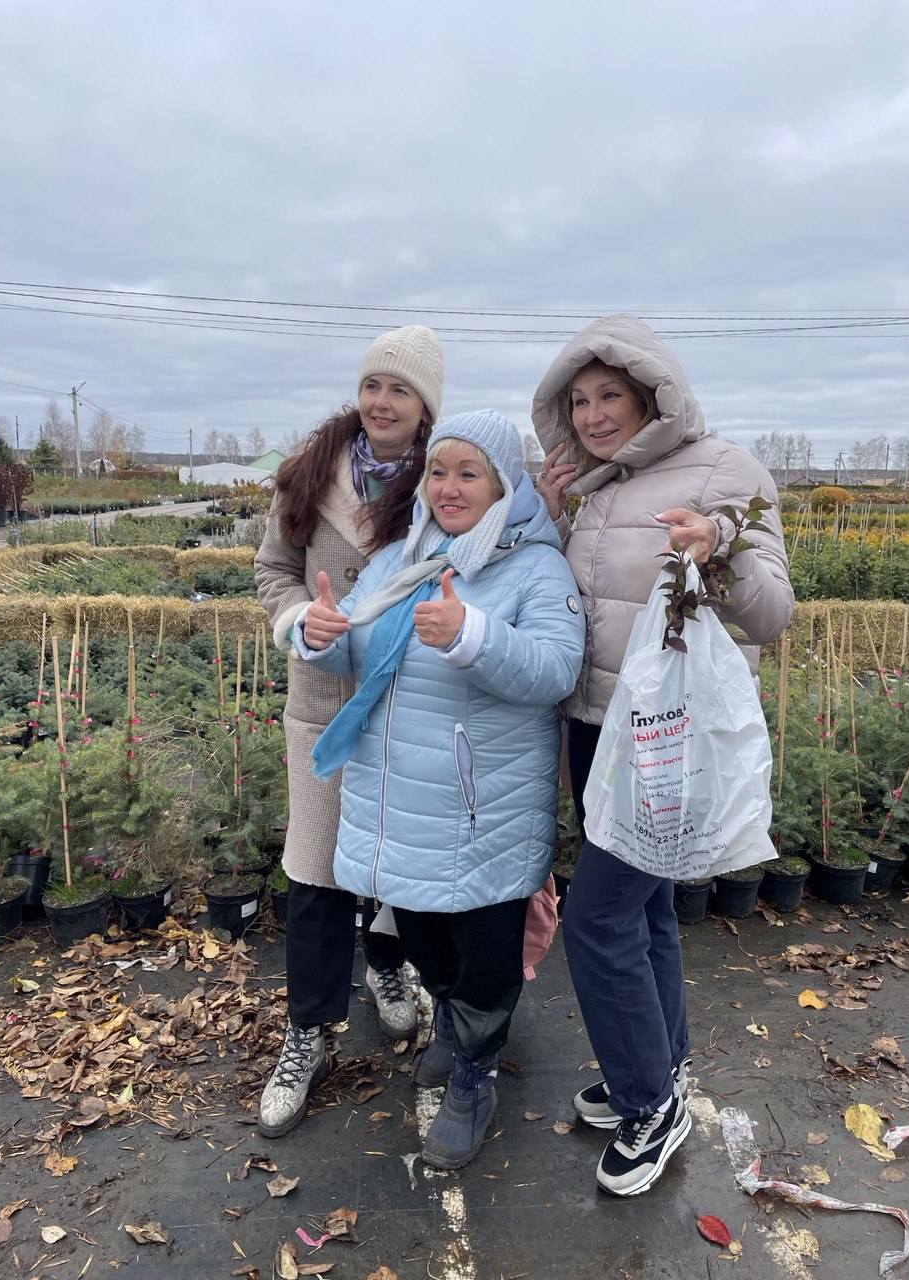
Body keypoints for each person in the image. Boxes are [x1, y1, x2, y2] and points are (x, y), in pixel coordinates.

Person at [532, 314, 793, 1196]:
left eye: (611, 395)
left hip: (662, 742)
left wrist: (720, 553)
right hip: (591, 730)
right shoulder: (592, 484)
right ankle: (661, 1066)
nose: (594, 415)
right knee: (642, 914)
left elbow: (773, 616)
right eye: (579, 400)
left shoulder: (727, 472)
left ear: (656, 394)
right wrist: (550, 515)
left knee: (597, 920)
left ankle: (650, 1104)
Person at [295, 410, 585, 1169]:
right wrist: (317, 634)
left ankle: (474, 1070)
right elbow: (358, 648)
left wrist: (471, 636)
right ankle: (456, 1024)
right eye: (438, 472)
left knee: (484, 952)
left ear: (504, 486)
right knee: (421, 935)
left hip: (481, 807)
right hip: (401, 804)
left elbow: (557, 669)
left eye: (468, 473)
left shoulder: (535, 568)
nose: (449, 488)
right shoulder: (403, 556)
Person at [253, 325, 444, 1138]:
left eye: (400, 389)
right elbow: (273, 571)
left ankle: (390, 972)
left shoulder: (446, 480)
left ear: (426, 405)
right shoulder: (308, 473)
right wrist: (302, 618)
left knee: (397, 862)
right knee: (317, 871)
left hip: (408, 703)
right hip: (324, 704)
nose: (382, 402)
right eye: (373, 385)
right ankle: (308, 1032)